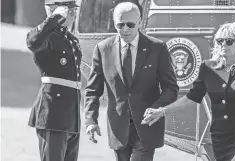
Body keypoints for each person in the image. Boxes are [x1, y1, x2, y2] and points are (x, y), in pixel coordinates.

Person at [142, 22, 235, 161]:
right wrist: (162, 111)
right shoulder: (207, 68)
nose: (223, 44)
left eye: (229, 41)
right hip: (220, 136)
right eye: (220, 41)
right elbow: (192, 98)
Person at [84, 2, 179, 161]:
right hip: (118, 128)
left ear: (140, 22)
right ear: (114, 23)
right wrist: (91, 121)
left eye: (130, 24)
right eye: (120, 25)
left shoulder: (157, 48)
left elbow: (171, 88)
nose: (125, 29)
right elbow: (93, 90)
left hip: (147, 126)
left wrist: (156, 109)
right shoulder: (102, 49)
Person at [26, 0, 82, 161]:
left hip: (71, 112)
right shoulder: (46, 37)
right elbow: (32, 41)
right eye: (69, 11)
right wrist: (54, 17)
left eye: (73, 11)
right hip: (53, 112)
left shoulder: (70, 39)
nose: (73, 15)